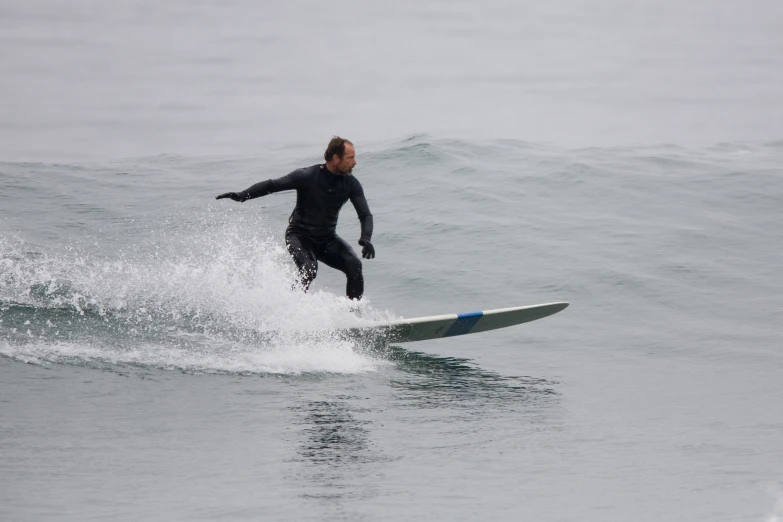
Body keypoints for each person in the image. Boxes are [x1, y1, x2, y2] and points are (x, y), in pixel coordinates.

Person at [216, 137, 374, 301]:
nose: (355, 162)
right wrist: (242, 196)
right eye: (350, 158)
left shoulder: (351, 184)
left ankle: (353, 316)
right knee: (309, 268)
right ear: (336, 158)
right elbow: (273, 185)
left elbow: (365, 215)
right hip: (299, 236)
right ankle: (292, 308)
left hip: (327, 239)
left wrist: (366, 238)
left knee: (354, 266)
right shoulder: (307, 176)